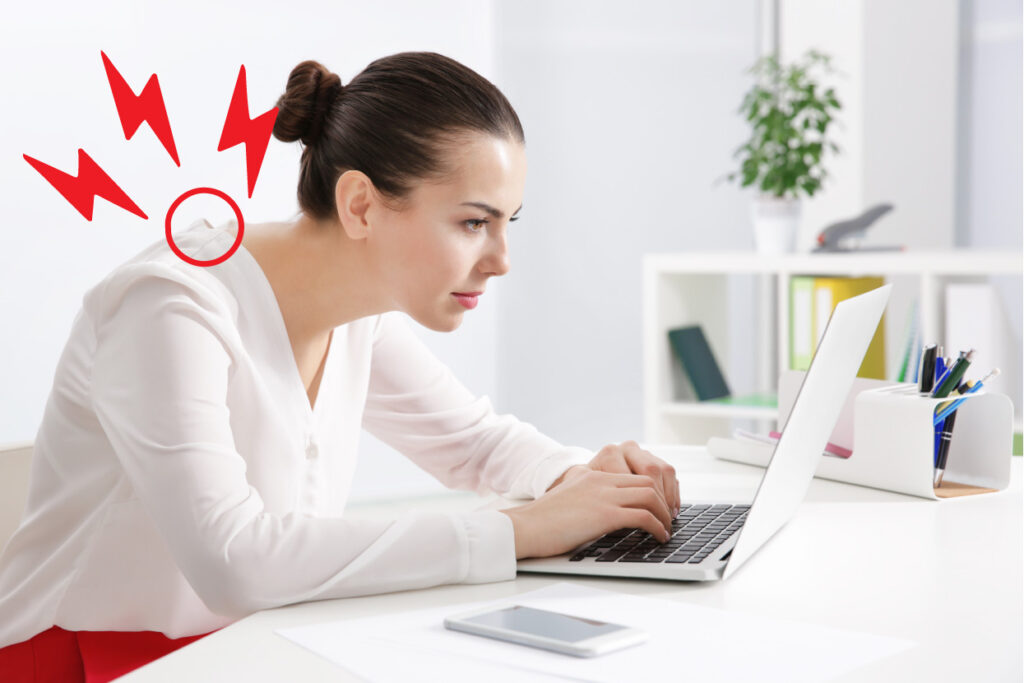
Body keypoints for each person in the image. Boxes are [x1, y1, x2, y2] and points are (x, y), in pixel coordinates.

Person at [0, 52, 679, 681]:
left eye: (509, 222)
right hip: (89, 661)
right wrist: (519, 529)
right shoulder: (169, 306)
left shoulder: (358, 310)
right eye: (474, 222)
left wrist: (583, 479)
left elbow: (473, 443)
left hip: (241, 647)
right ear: (360, 205)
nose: (502, 258)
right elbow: (237, 562)